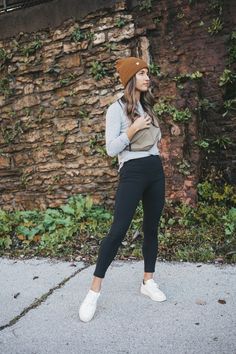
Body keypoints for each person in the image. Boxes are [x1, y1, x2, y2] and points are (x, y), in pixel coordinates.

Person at [79, 56, 166, 323]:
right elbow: (110, 148)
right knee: (118, 230)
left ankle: (147, 281)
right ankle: (93, 291)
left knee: (152, 227)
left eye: (148, 73)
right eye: (141, 73)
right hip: (132, 172)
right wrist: (133, 130)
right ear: (130, 79)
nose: (146, 77)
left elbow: (155, 139)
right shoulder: (115, 109)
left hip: (154, 170)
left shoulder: (147, 105)